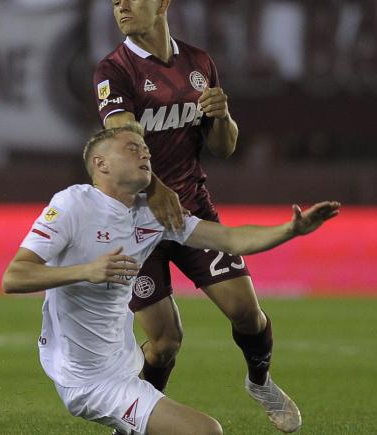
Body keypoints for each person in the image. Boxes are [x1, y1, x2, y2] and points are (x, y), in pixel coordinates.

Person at [2, 123, 340, 435]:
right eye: (132, 148)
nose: (145, 153)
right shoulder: (72, 205)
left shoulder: (152, 215)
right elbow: (14, 277)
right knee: (207, 432)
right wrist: (85, 271)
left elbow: (231, 240)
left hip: (125, 362)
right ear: (101, 164)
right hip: (88, 380)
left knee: (170, 354)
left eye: (145, 148)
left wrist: (291, 230)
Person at [93, 0, 302, 431]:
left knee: (247, 312)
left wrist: (222, 116)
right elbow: (121, 136)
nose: (122, 6)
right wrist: (153, 187)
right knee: (165, 342)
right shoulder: (114, 70)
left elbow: (224, 146)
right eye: (115, 1)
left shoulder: (198, 62)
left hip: (191, 212)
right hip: (134, 225)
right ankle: (135, 421)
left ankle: (259, 381)